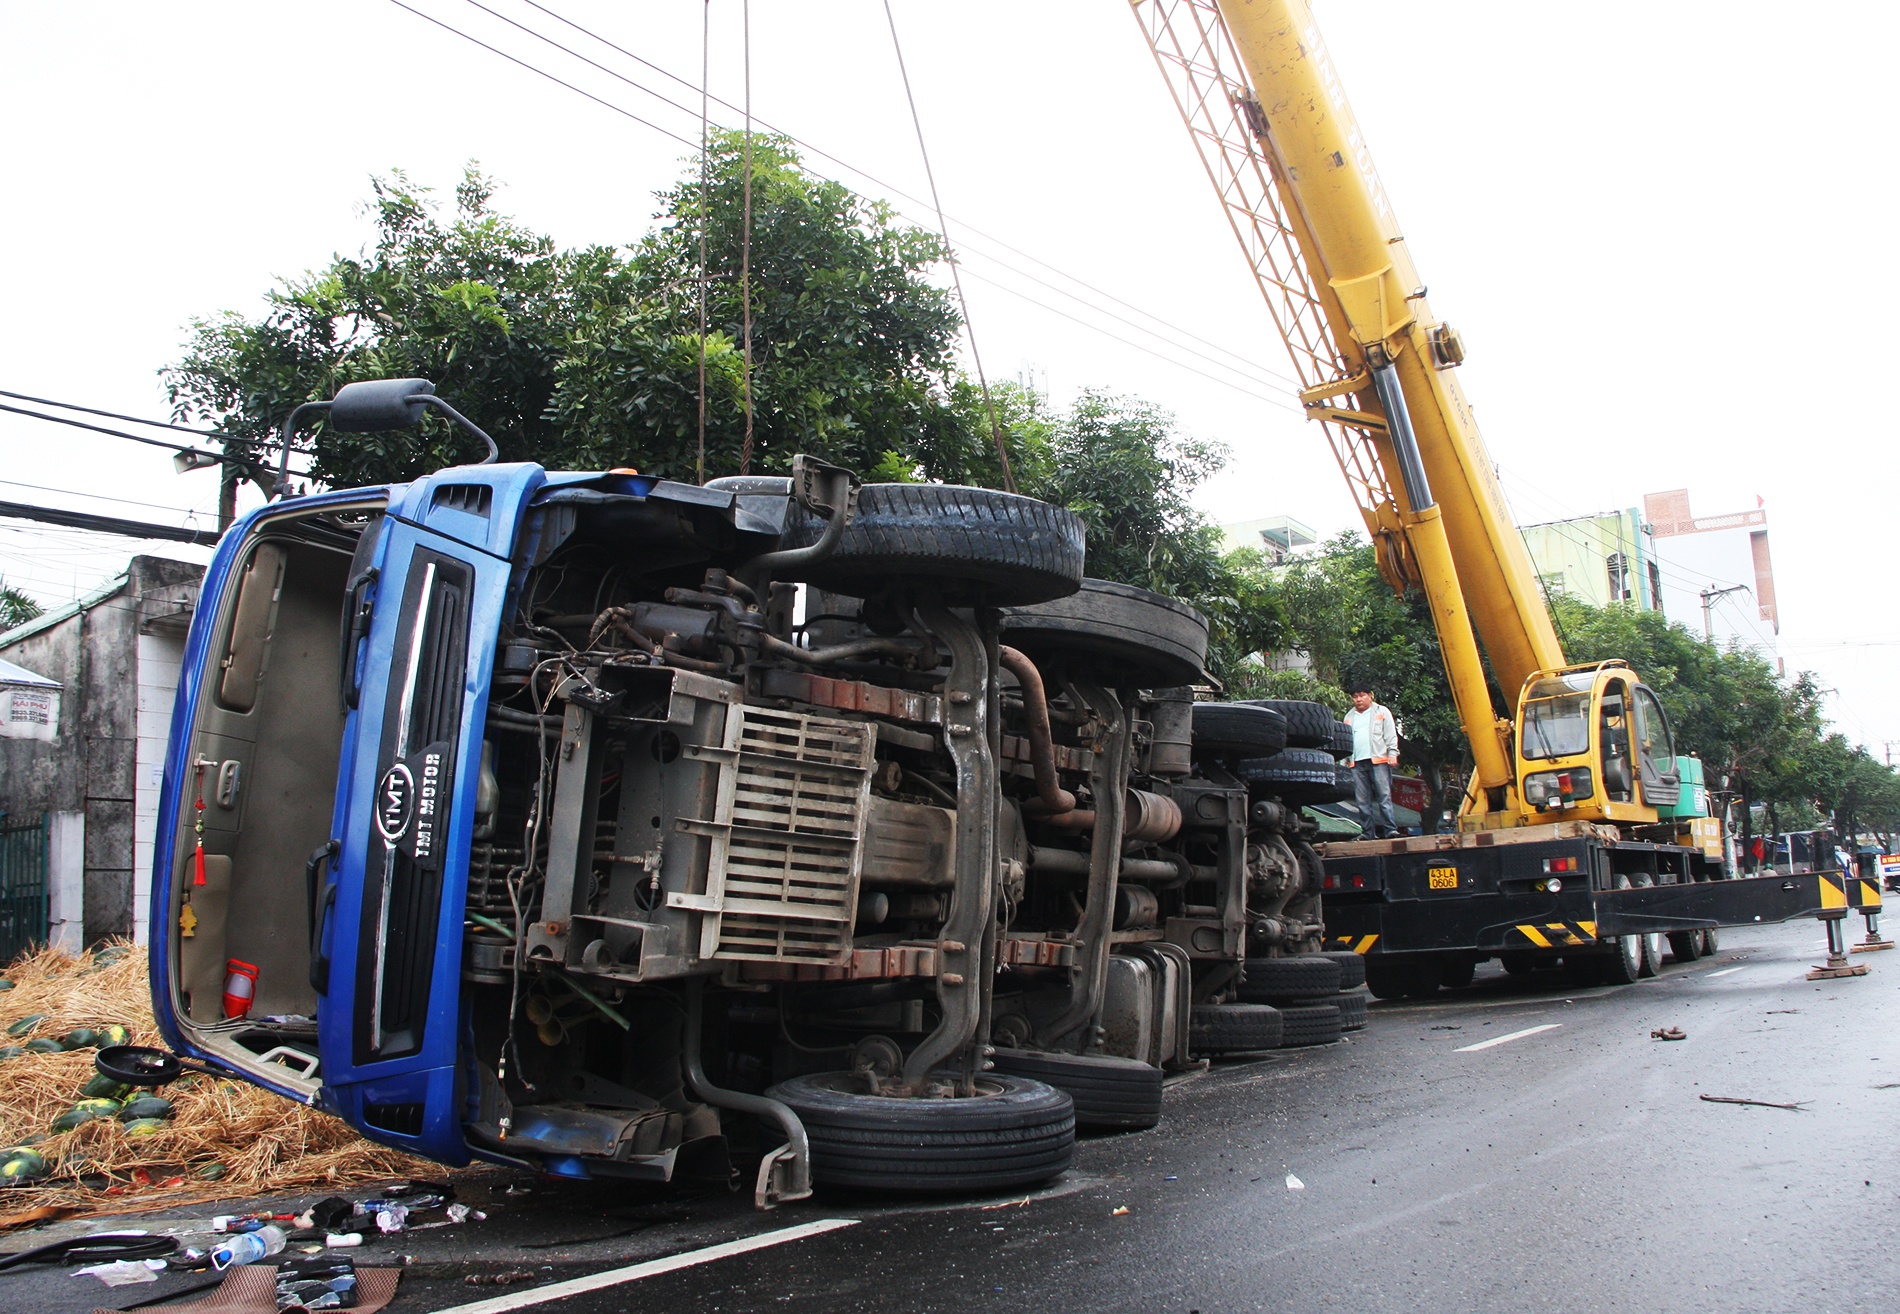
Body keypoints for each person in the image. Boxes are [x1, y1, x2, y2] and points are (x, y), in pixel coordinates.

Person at [1344, 682, 1400, 839]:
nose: (1359, 699)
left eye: (1362, 695)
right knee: (1362, 800)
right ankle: (1367, 833)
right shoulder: (1349, 717)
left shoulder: (1381, 712)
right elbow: (1346, 740)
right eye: (1355, 697)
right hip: (1357, 763)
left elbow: (1390, 734)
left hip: (1379, 760)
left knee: (1384, 796)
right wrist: (1346, 760)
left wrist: (1393, 753)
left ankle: (1390, 830)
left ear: (1370, 696)